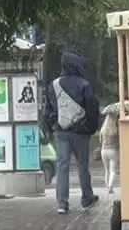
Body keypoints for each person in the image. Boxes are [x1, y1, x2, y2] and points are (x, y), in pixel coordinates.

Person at [43, 51, 101, 214]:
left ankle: (62, 203)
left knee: (62, 166)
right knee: (83, 165)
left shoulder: (53, 85)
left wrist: (52, 126)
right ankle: (87, 198)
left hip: (61, 131)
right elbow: (92, 109)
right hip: (81, 132)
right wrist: (90, 128)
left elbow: (49, 109)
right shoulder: (84, 84)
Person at [98, 111, 120, 197]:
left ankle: (107, 186)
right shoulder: (116, 129)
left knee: (106, 170)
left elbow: (100, 141)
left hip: (104, 151)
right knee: (113, 170)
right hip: (113, 150)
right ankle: (111, 185)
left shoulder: (103, 129)